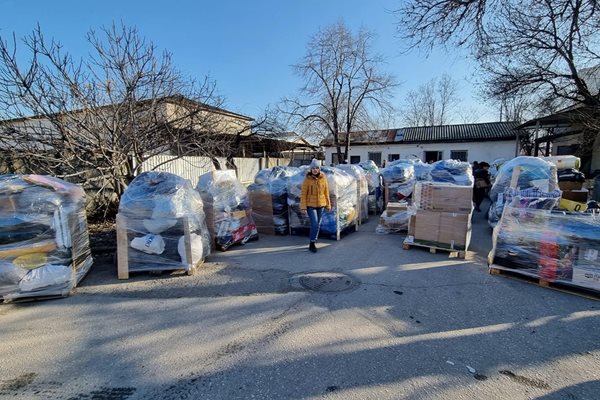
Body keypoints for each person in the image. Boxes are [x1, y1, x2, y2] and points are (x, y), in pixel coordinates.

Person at [300, 159, 332, 253]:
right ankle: (312, 243)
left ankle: (314, 238)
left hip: (321, 205)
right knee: (314, 223)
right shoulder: (307, 179)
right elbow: (303, 194)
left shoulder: (323, 177)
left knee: (318, 224)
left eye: (317, 168)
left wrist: (328, 204)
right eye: (313, 168)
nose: (315, 170)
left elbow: (326, 192)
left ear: (319, 168)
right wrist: (303, 207)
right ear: (311, 169)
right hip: (311, 205)